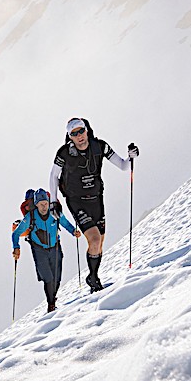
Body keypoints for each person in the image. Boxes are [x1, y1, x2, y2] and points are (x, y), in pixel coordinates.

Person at [49, 118, 139, 293]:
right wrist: (54, 201)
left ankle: (92, 275)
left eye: (81, 131)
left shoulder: (100, 146)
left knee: (99, 243)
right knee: (95, 239)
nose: (79, 136)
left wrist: (130, 157)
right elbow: (53, 176)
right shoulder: (64, 153)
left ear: (87, 130)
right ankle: (94, 280)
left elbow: (122, 166)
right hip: (76, 201)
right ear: (70, 137)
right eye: (74, 134)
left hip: (96, 199)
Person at [12, 189, 80, 313]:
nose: (44, 207)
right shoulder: (30, 217)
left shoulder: (55, 213)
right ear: (36, 204)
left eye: (46, 203)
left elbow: (65, 223)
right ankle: (51, 304)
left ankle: (52, 298)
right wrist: (16, 247)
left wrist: (73, 231)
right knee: (48, 278)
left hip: (55, 247)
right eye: (41, 204)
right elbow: (16, 234)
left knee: (57, 278)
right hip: (39, 249)